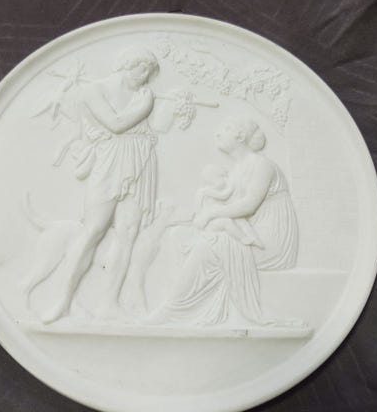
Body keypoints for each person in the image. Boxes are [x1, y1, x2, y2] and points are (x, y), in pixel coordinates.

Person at [41, 47, 160, 323]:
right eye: (143, 69)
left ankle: (108, 303)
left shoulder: (143, 92)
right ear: (127, 64)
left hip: (141, 159)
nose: (146, 77)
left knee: (128, 232)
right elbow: (115, 124)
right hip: (110, 160)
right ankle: (62, 300)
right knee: (94, 229)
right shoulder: (94, 90)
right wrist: (143, 108)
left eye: (150, 72)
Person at [149, 118, 298, 326]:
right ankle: (185, 304)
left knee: (208, 245)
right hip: (246, 229)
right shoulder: (237, 169)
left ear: (240, 136)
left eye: (225, 129)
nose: (218, 134)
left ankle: (172, 310)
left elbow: (248, 206)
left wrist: (211, 213)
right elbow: (228, 204)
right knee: (180, 235)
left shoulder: (262, 165)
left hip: (267, 241)